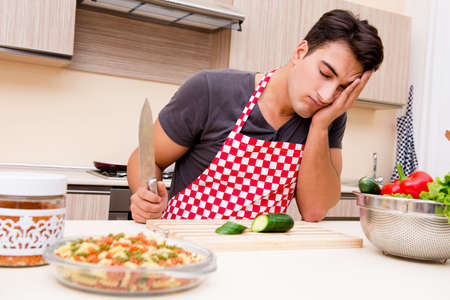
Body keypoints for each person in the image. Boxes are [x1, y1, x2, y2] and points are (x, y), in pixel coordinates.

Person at [127, 9, 383, 223]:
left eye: (343, 88)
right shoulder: (211, 90)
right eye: (326, 74)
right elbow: (146, 158)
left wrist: (319, 126)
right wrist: (145, 197)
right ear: (300, 52)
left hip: (259, 259)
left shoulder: (329, 117)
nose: (327, 95)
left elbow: (314, 211)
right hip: (187, 249)